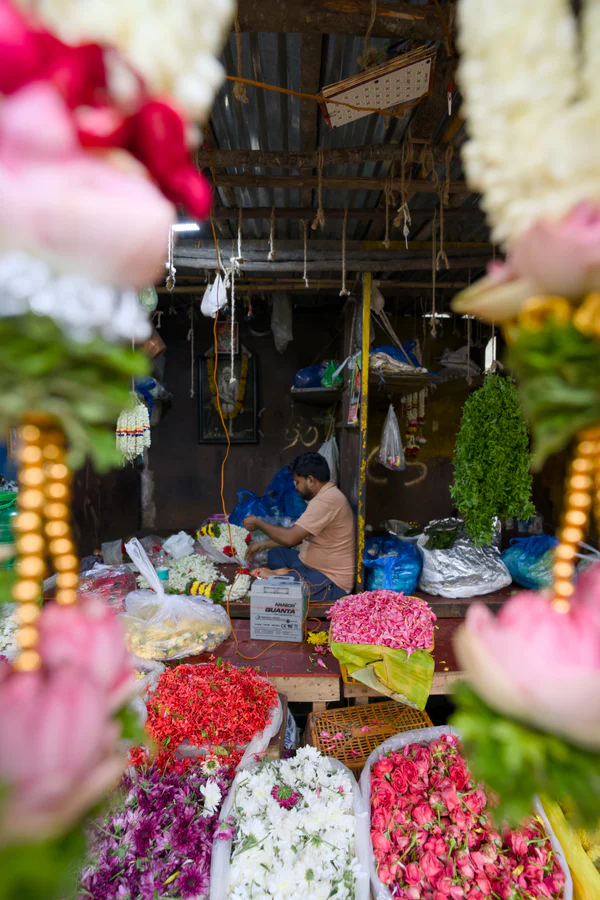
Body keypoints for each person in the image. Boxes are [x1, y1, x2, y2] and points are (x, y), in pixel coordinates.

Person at [243, 452, 356, 602]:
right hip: (310, 565)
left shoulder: (326, 501)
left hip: (330, 580)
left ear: (310, 480)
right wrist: (263, 544)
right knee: (275, 554)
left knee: (268, 583)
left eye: (297, 482)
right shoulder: (325, 496)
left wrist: (258, 523)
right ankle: (288, 574)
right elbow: (298, 536)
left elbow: (290, 539)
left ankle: (285, 575)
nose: (296, 487)